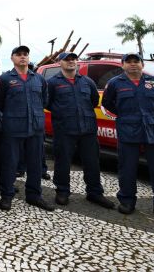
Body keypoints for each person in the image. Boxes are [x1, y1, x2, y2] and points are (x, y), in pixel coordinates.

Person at [101, 53, 154, 225]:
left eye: (136, 61)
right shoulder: (115, 83)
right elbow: (108, 103)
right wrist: (126, 116)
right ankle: (127, 201)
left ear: (142, 64)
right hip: (128, 130)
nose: (133, 65)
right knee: (127, 168)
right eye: (129, 62)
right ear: (122, 65)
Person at [46, 52, 114, 209]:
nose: (71, 62)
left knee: (92, 162)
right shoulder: (52, 83)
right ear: (59, 62)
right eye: (67, 59)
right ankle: (62, 191)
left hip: (87, 129)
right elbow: (47, 102)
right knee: (62, 162)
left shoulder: (87, 82)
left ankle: (95, 193)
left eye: (73, 59)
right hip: (64, 129)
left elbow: (94, 100)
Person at [0, 46, 54, 212]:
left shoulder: (39, 79)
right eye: (18, 54)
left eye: (25, 54)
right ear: (12, 58)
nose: (22, 57)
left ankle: (34, 195)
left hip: (35, 128)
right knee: (10, 163)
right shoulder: (5, 79)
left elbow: (44, 100)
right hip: (13, 128)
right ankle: (7, 195)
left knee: (35, 164)